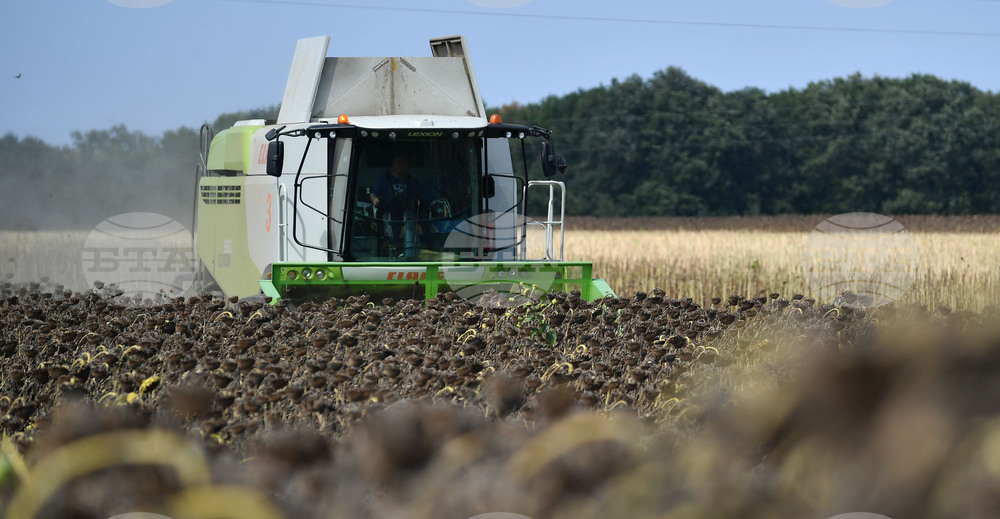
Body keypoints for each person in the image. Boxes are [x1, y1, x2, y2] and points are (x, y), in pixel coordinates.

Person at [371, 156, 421, 259]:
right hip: (388, 213)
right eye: (399, 163)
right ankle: (391, 248)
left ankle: (410, 252)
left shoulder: (412, 181)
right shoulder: (384, 179)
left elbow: (419, 197)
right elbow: (373, 195)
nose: (402, 166)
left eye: (404, 163)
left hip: (407, 214)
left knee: (411, 217)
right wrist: (375, 200)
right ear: (393, 165)